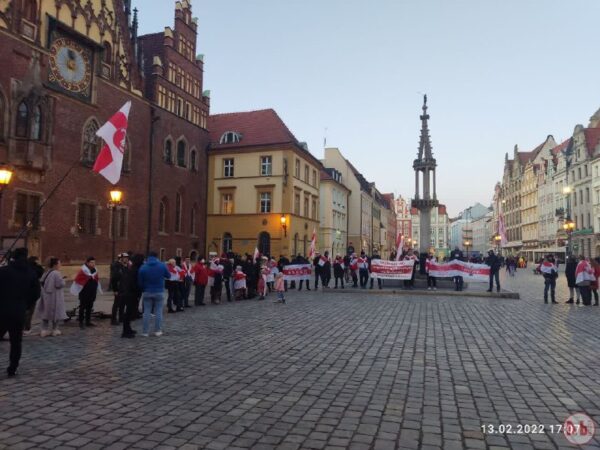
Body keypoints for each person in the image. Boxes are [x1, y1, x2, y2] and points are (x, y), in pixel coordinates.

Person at [0, 248, 41, 377]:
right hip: (19, 310)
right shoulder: (30, 273)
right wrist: (25, 305)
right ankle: (13, 368)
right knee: (16, 342)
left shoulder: (4, 271)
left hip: (2, 309)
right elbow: (36, 293)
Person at [138, 251, 170, 337]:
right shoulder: (162, 265)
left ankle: (145, 332)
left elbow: (140, 282)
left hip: (147, 291)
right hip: (159, 291)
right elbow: (169, 275)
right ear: (157, 256)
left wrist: (143, 288)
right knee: (159, 311)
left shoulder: (143, 267)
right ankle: (158, 331)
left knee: (146, 312)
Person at [37, 258, 67, 337]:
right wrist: (63, 280)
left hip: (46, 295)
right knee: (56, 313)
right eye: (59, 263)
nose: (60, 265)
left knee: (46, 313)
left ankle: (44, 330)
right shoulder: (56, 273)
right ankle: (55, 329)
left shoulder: (46, 272)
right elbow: (59, 284)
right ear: (55, 265)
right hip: (55, 296)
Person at [70, 257, 102, 329]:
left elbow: (96, 280)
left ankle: (88, 321)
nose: (93, 264)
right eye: (91, 262)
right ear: (87, 263)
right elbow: (78, 280)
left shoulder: (95, 270)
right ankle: (81, 322)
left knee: (90, 307)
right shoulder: (83, 270)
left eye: (94, 262)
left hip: (92, 291)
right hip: (84, 292)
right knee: (82, 307)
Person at [119, 254, 143, 338]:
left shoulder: (133, 268)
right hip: (130, 293)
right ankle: (125, 331)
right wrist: (138, 290)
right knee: (128, 312)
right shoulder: (134, 270)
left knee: (130, 312)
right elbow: (133, 283)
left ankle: (128, 328)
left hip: (130, 293)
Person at [23, 256, 43, 336]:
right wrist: (38, 265)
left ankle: (23, 328)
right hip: (31, 294)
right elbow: (40, 272)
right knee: (29, 312)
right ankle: (27, 328)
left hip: (25, 293)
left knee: (24, 311)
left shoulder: (25, 268)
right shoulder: (35, 269)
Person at [110, 253, 129, 325]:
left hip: (124, 287)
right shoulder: (117, 266)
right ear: (121, 258)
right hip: (118, 288)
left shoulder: (124, 266)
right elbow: (114, 278)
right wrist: (115, 290)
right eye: (125, 258)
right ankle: (113, 319)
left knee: (122, 304)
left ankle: (121, 317)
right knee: (116, 304)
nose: (126, 259)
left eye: (127, 258)